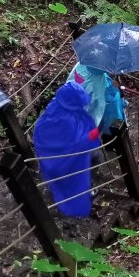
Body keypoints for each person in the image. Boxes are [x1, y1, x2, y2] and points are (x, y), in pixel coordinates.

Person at [33, 82, 100, 217]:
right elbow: (78, 143)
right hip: (63, 159)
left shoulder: (55, 104)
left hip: (48, 153)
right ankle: (86, 189)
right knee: (95, 158)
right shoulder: (69, 119)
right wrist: (95, 134)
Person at [67, 63, 128, 135]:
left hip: (80, 116)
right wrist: (114, 87)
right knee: (115, 133)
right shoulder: (103, 86)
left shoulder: (81, 65)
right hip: (110, 121)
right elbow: (109, 101)